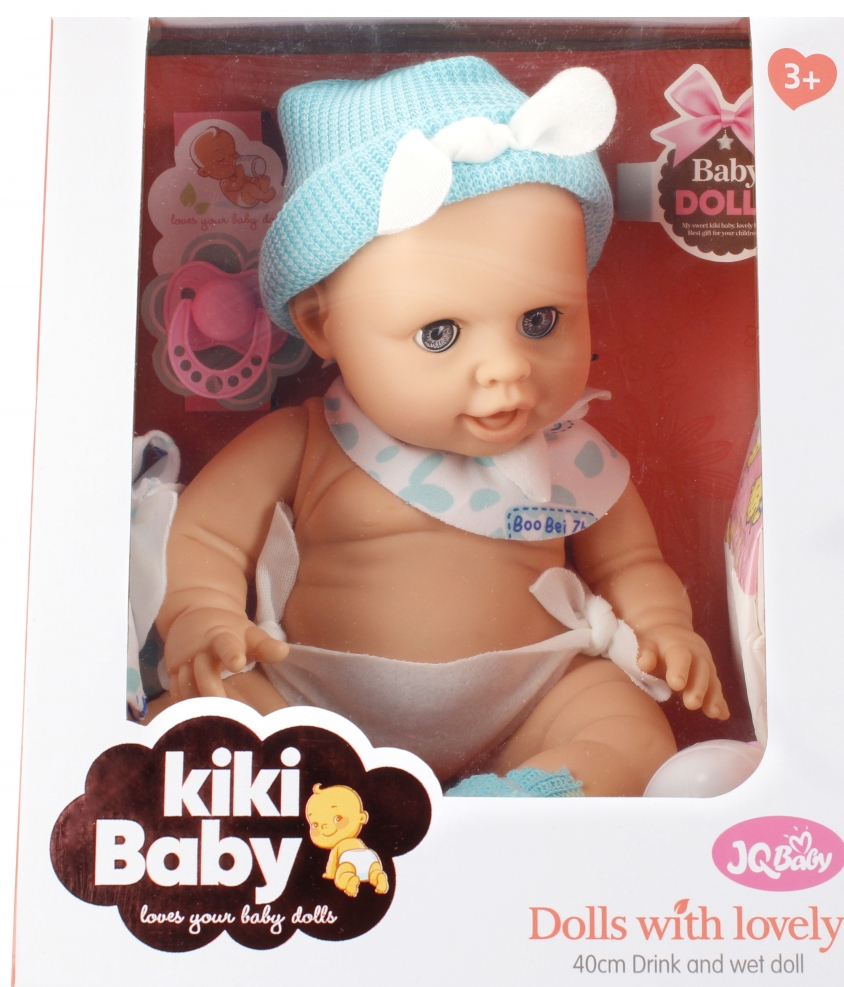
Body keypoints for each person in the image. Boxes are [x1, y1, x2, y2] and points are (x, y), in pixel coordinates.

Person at [155, 57, 729, 797]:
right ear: (322, 325)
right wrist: (202, 616)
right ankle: (324, 809)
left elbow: (630, 564)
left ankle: (515, 804)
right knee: (197, 722)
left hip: (528, 698)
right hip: (312, 705)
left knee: (630, 732)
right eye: (439, 335)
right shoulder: (304, 443)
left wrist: (663, 628)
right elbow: (206, 537)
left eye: (540, 321)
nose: (507, 368)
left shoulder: (572, 460)